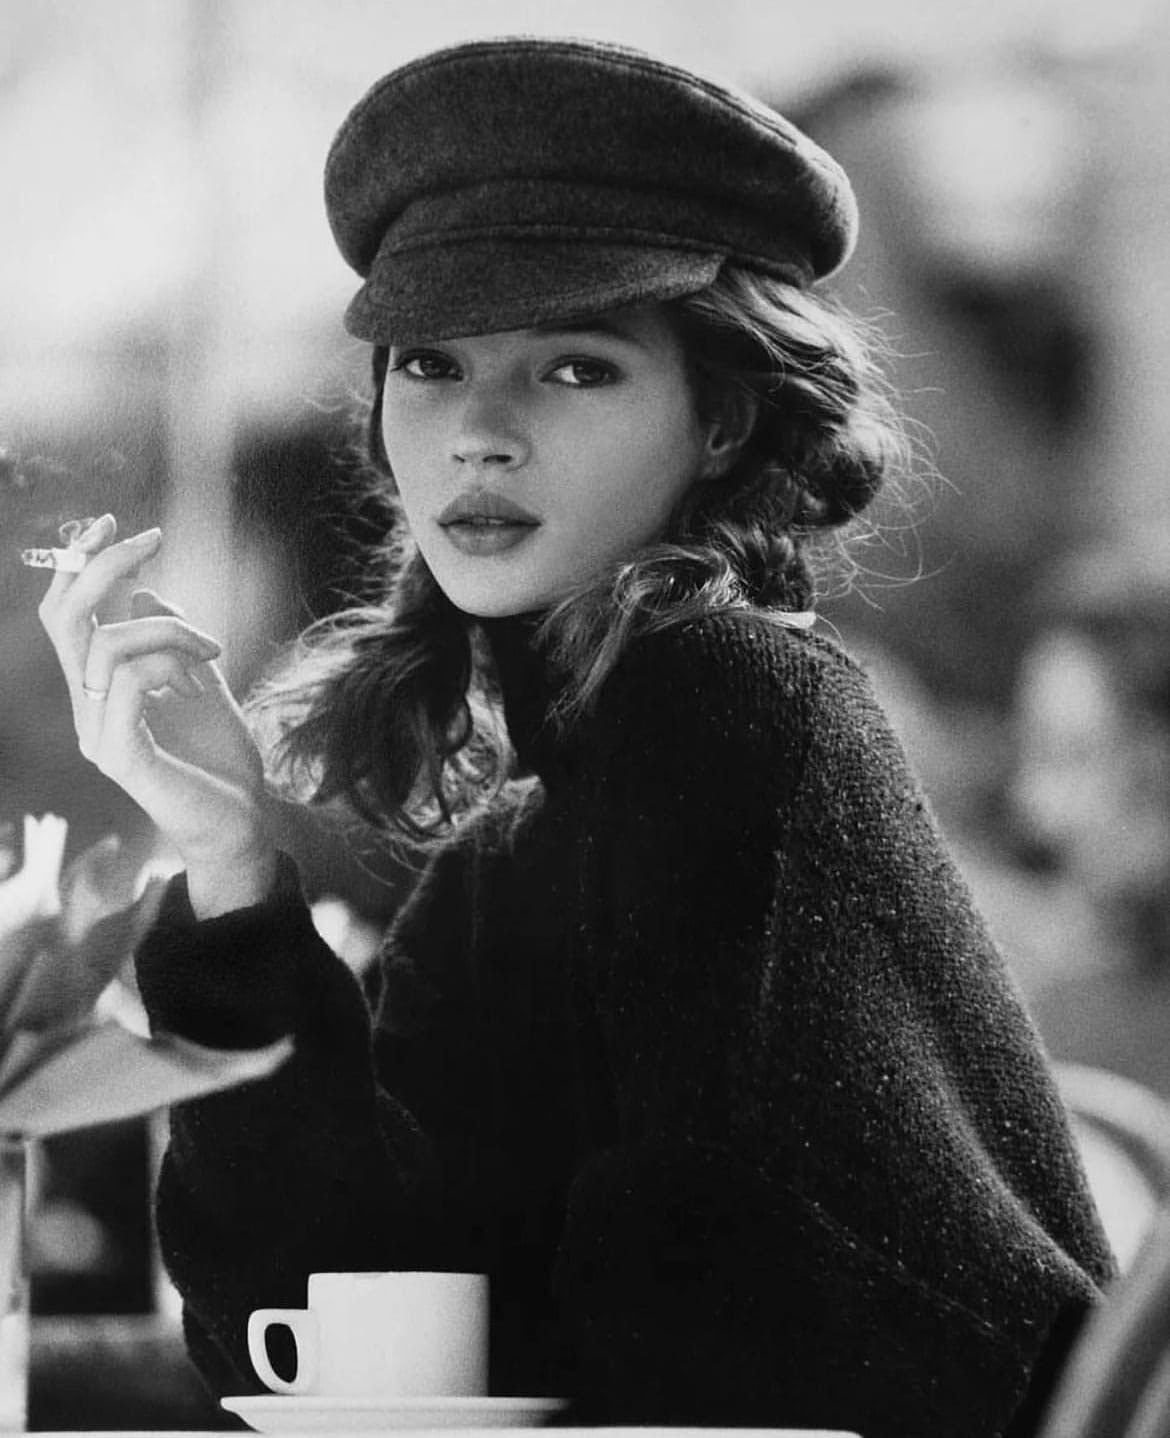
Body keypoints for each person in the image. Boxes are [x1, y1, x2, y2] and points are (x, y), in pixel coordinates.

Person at [34, 36, 1114, 1438]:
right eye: (431, 363)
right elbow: (301, 1323)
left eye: (574, 369)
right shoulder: (526, 829)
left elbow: (715, 1318)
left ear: (722, 417)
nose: (478, 432)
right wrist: (231, 863)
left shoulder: (729, 700)